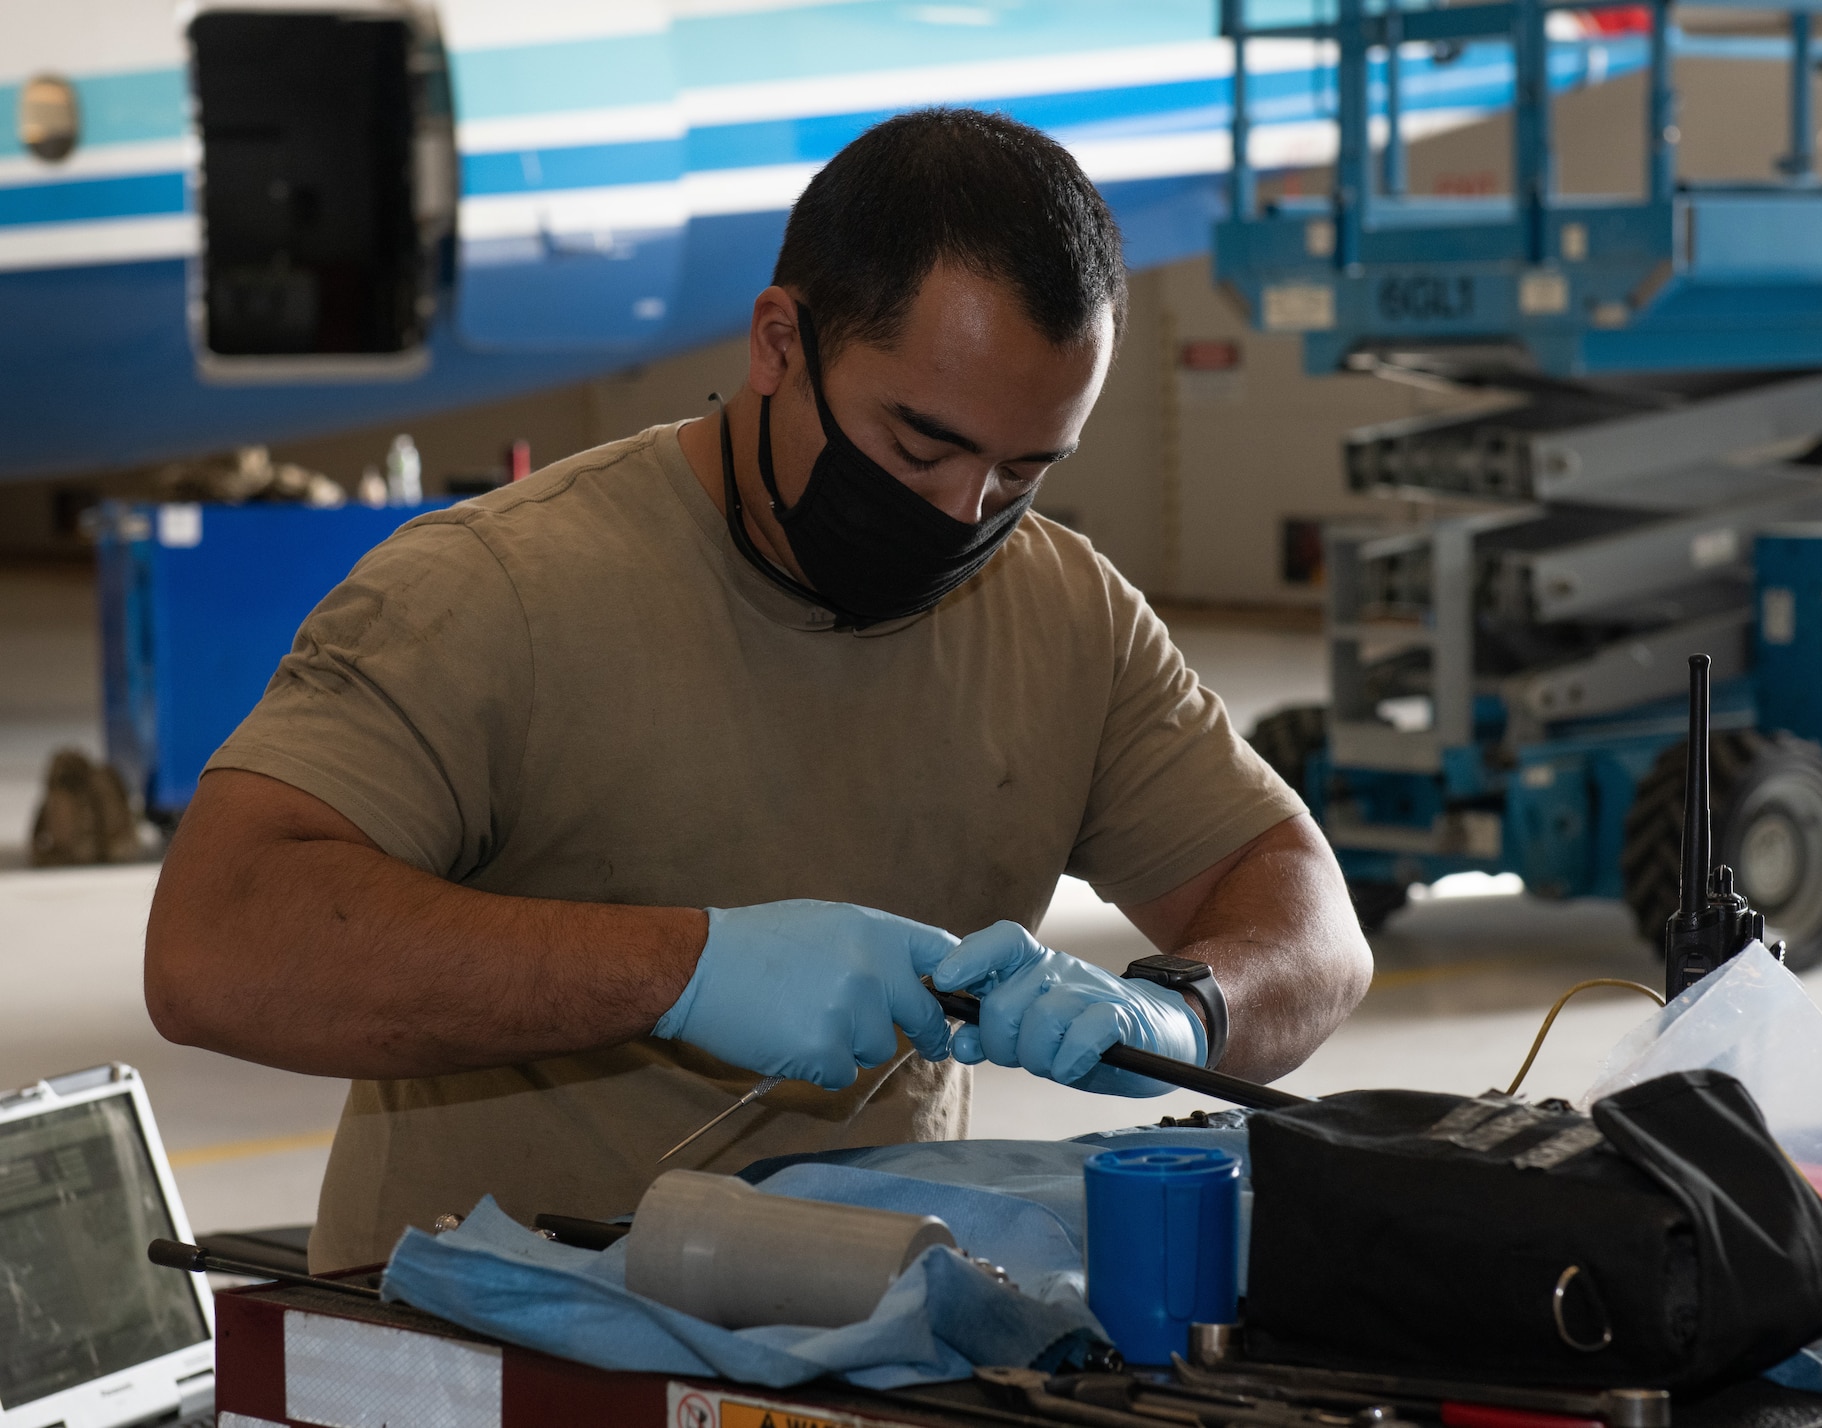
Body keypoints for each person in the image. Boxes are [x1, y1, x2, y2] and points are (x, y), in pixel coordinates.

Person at [145, 108, 1373, 1272]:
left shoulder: (1065, 615)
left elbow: (1306, 918)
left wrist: (1185, 1015)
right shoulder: (492, 593)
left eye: (1020, 472)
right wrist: (682, 970)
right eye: (919, 445)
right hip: (491, 1336)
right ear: (780, 343)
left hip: (858, 1333)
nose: (960, 514)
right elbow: (216, 944)